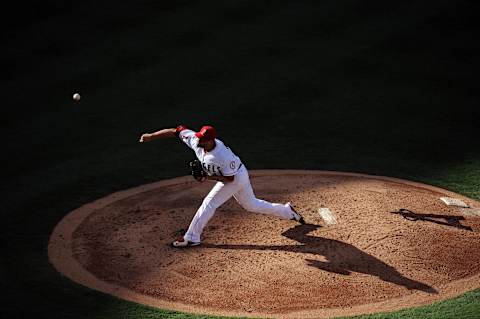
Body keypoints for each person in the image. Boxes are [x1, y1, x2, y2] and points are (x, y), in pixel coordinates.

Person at [139, 125, 305, 248]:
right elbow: (176, 130)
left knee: (209, 202)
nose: (199, 141)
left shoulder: (222, 156)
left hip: (236, 177)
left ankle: (191, 237)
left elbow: (230, 179)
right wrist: (151, 136)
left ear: (211, 140)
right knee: (251, 205)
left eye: (203, 140)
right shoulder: (196, 140)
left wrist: (207, 177)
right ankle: (287, 211)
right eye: (199, 138)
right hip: (236, 174)